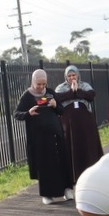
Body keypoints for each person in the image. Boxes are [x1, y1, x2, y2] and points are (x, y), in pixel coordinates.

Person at [14, 69, 73, 204]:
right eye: (38, 84)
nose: (41, 87)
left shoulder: (51, 93)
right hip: (39, 138)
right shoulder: (27, 96)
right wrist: (28, 113)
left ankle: (67, 189)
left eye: (43, 84)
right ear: (33, 81)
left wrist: (55, 105)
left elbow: (62, 110)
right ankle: (47, 195)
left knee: (61, 161)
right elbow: (16, 114)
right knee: (45, 166)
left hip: (55, 134)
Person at [54, 65, 104, 186]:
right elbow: (58, 98)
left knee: (87, 146)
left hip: (85, 122)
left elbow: (91, 95)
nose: (72, 78)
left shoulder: (85, 85)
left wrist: (78, 91)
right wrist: (72, 92)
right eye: (69, 76)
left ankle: (93, 175)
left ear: (78, 75)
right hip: (69, 122)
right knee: (71, 147)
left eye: (74, 75)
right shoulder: (61, 87)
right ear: (66, 77)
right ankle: (73, 178)